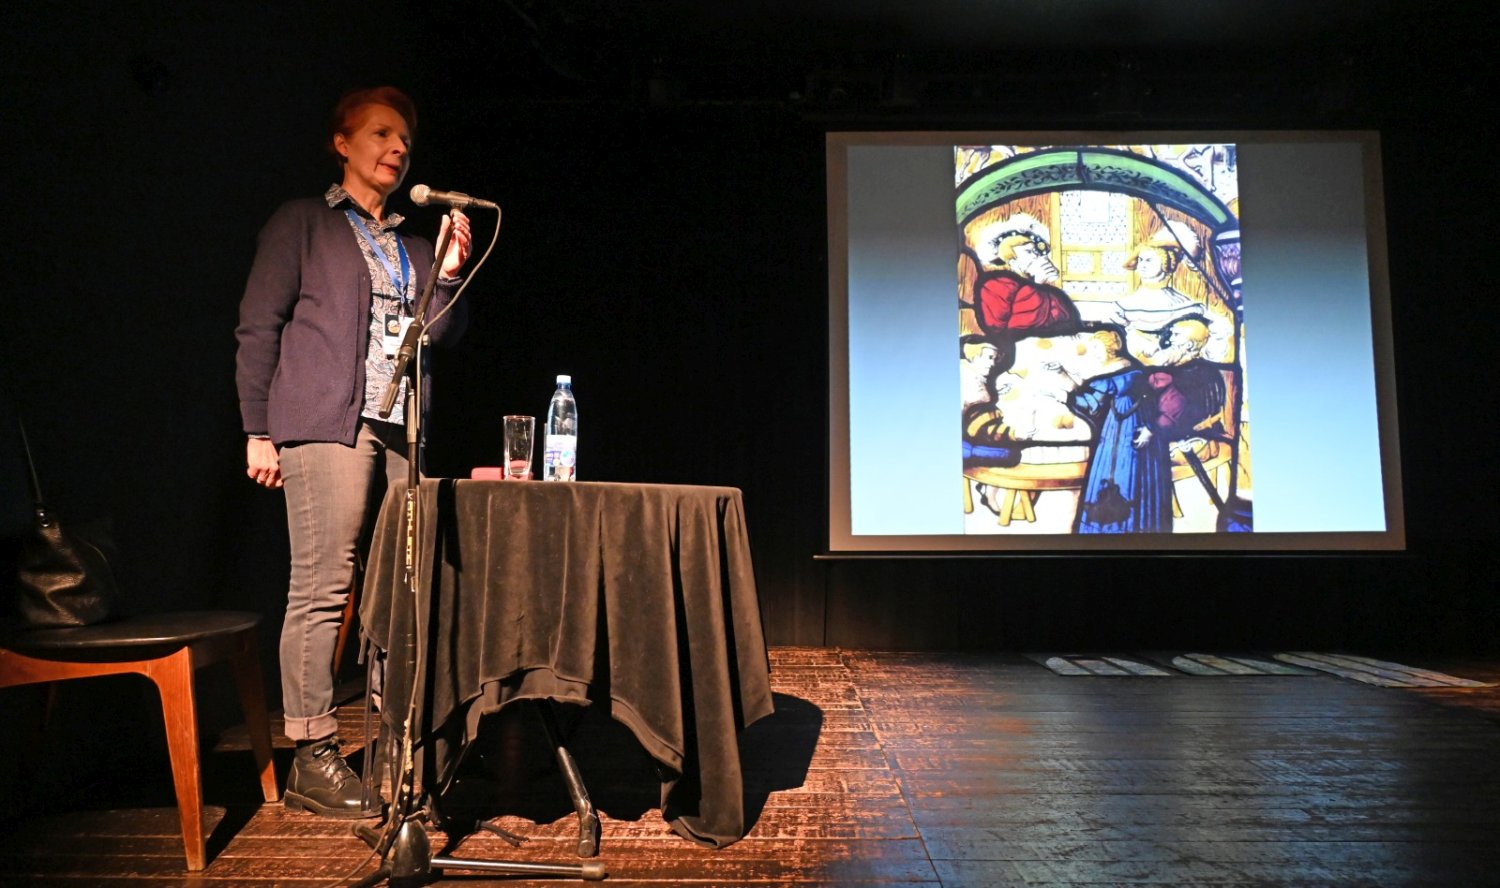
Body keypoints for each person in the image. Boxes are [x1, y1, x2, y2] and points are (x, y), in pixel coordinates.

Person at [235, 87, 473, 818]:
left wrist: (449, 272)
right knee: (324, 585)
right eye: (381, 134)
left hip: (401, 429)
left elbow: (440, 334)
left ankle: (398, 747)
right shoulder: (303, 222)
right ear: (342, 142)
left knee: (401, 588)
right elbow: (258, 325)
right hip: (325, 426)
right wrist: (257, 429)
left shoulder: (412, 245)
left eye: (405, 140)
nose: (397, 149)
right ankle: (311, 754)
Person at [970, 213, 1080, 338]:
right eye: (1028, 251)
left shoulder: (1046, 289)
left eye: (1035, 251)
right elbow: (1008, 328)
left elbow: (1066, 320)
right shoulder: (994, 284)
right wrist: (1037, 285)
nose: (1036, 256)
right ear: (1012, 260)